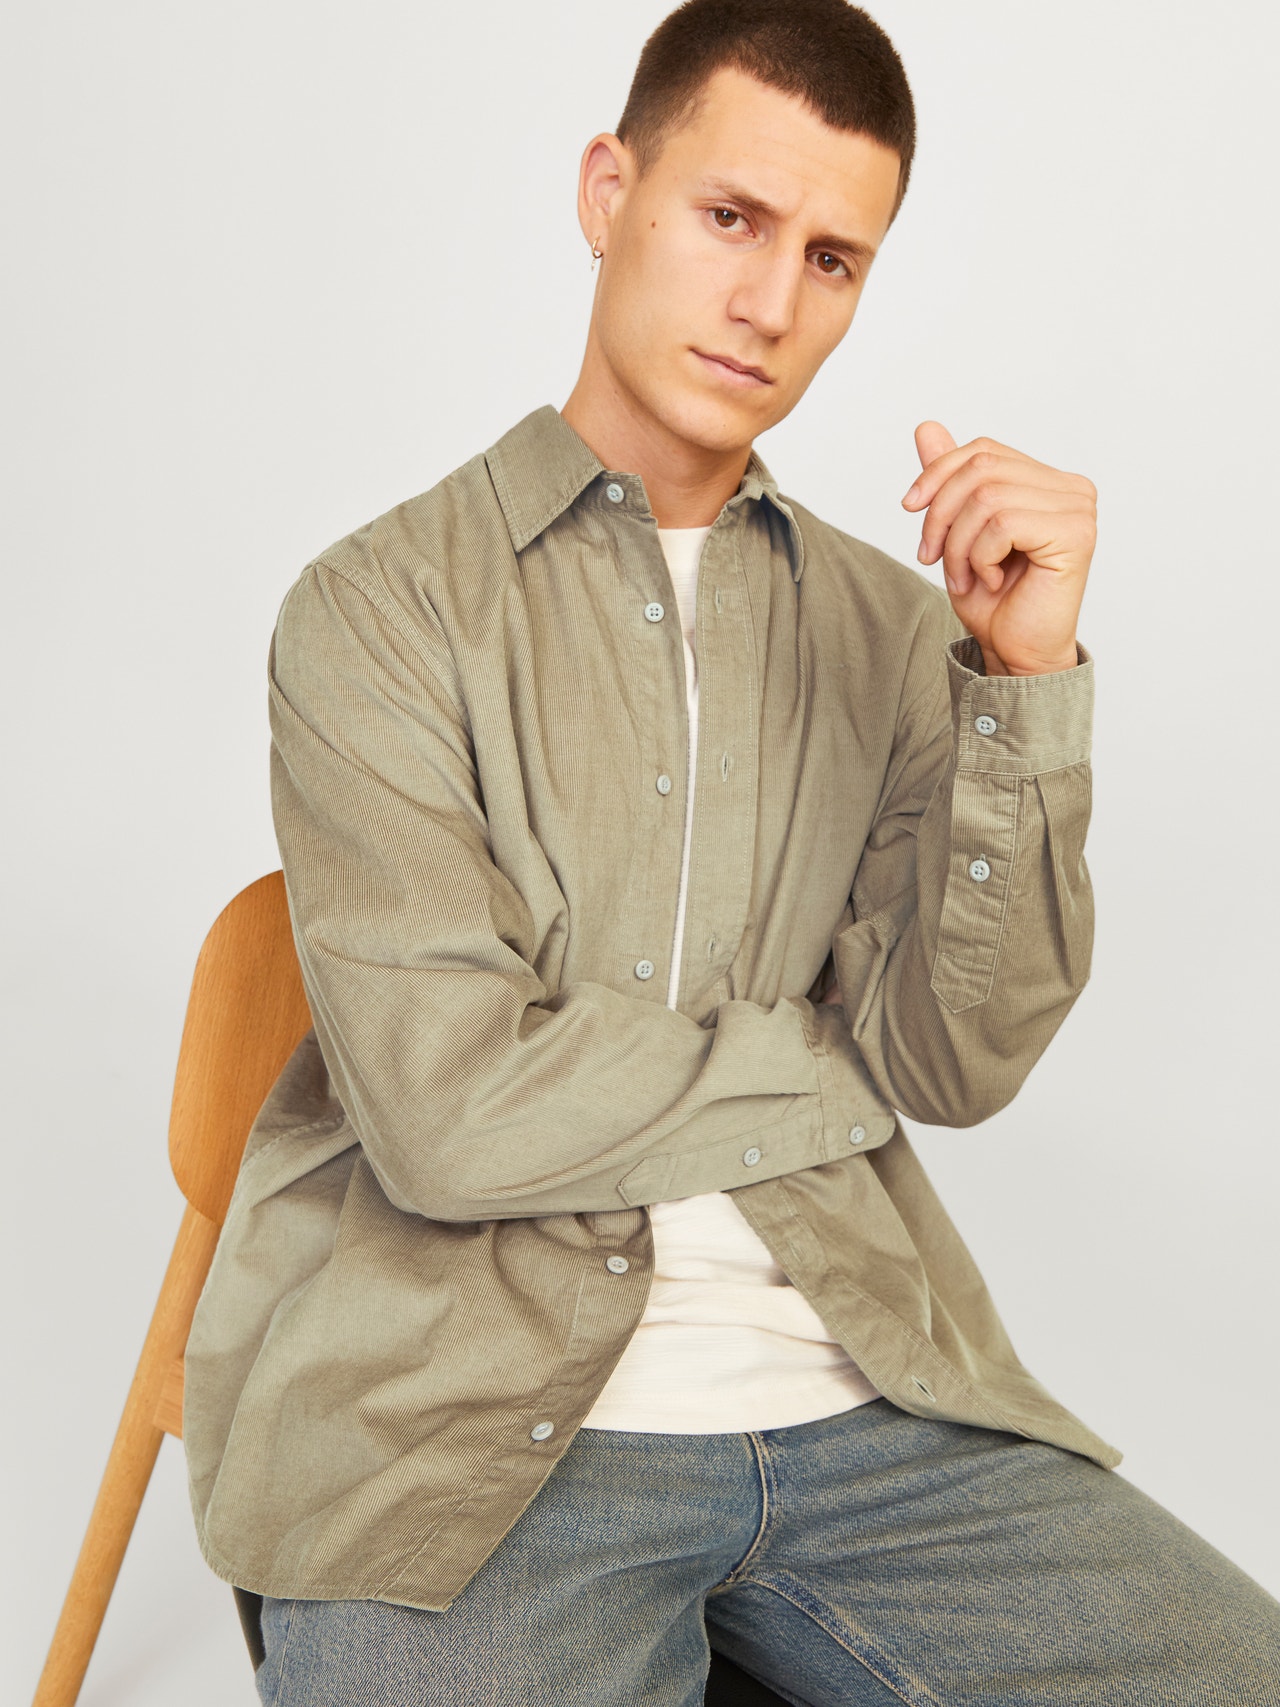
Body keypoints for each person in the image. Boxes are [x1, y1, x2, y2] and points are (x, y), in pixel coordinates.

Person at [182, 1, 1280, 1701]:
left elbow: (951, 1064)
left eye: (832, 259)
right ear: (607, 190)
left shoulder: (899, 633)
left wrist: (1025, 682)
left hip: (868, 1409)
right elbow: (451, 1116)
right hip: (463, 1429)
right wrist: (824, 1071)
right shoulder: (381, 609)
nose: (772, 302)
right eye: (731, 218)